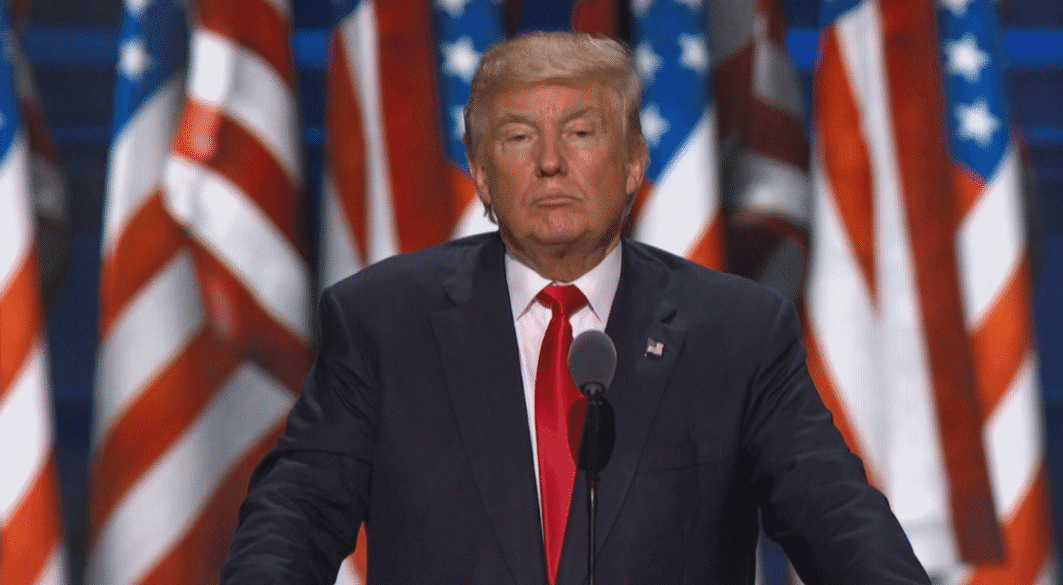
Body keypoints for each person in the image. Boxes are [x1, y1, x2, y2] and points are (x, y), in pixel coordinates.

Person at [220, 32, 930, 585]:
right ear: (481, 173)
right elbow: (294, 519)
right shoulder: (383, 323)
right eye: (518, 136)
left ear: (633, 163)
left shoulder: (737, 333)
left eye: (582, 132)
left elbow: (840, 522)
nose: (551, 161)